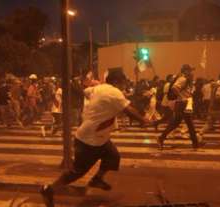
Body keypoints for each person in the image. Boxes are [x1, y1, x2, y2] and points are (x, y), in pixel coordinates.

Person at [40, 69, 151, 207]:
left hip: (98, 137)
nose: (124, 85)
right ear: (117, 81)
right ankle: (49, 189)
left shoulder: (98, 88)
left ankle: (97, 179)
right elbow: (129, 110)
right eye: (123, 82)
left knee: (113, 156)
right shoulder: (114, 93)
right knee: (77, 172)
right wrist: (144, 120)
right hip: (90, 140)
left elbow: (85, 92)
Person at [157, 64, 203, 150]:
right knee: (188, 124)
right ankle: (195, 144)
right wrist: (182, 97)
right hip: (181, 104)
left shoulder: (187, 80)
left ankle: (161, 138)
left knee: (178, 123)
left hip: (184, 103)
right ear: (185, 71)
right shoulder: (183, 79)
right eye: (189, 71)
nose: (191, 72)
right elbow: (174, 88)